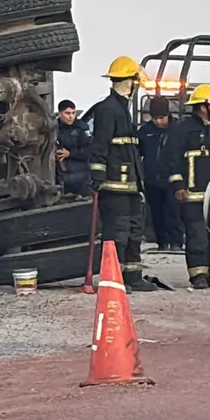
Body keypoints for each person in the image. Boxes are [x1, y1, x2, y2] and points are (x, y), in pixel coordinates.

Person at [88, 55, 157, 292]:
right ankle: (113, 277)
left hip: (131, 186)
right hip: (114, 186)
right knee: (117, 233)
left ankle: (133, 276)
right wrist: (98, 177)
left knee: (134, 231)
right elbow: (100, 146)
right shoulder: (108, 109)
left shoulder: (123, 109)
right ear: (130, 82)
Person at [165, 84, 210, 289]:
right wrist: (178, 185)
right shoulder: (183, 130)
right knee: (196, 234)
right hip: (192, 193)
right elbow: (172, 161)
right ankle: (198, 275)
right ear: (203, 106)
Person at [137, 96, 184, 252]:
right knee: (156, 213)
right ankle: (161, 242)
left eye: (161, 118)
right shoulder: (145, 131)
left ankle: (176, 242)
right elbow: (139, 152)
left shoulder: (178, 129)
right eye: (155, 118)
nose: (158, 122)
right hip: (152, 180)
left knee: (174, 212)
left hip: (172, 180)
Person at [55, 99, 92, 196]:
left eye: (73, 113)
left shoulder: (81, 128)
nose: (71, 116)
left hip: (81, 175)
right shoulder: (54, 128)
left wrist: (70, 153)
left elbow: (90, 150)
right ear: (60, 113)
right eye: (67, 113)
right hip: (62, 176)